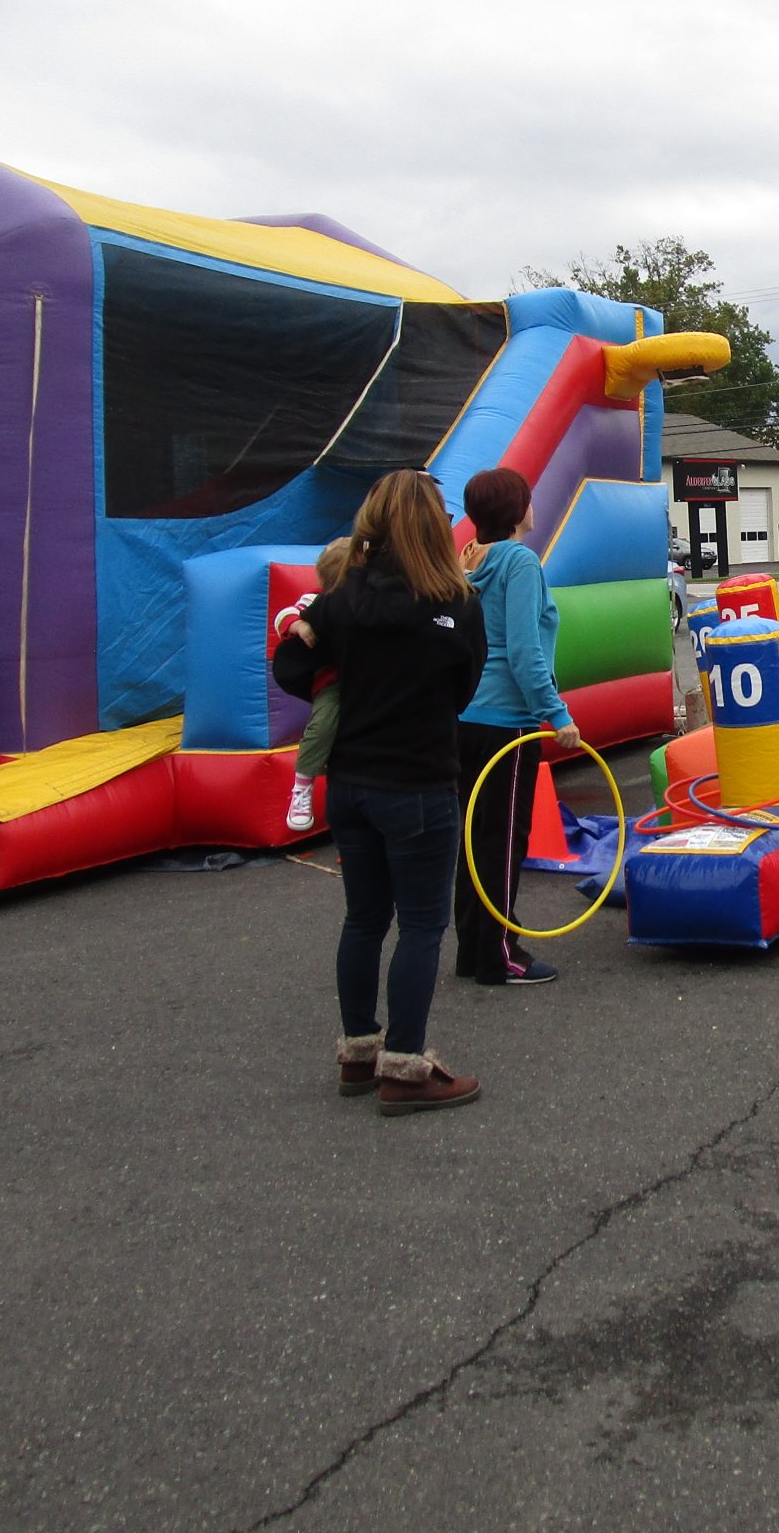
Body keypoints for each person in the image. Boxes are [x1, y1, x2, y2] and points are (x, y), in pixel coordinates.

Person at [295, 470, 488, 1116]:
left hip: (350, 783)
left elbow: (290, 666)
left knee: (364, 919)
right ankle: (405, 1069)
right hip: (418, 783)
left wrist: (342, 686)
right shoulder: (456, 602)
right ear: (438, 527)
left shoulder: (341, 598)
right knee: (425, 924)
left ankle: (358, 1053)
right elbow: (463, 689)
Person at [452, 466, 581, 987]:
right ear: (516, 510)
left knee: (475, 841)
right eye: (527, 497)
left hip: (467, 718)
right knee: (503, 841)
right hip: (508, 723)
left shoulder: (469, 563)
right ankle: (499, 954)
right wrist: (558, 714)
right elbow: (526, 653)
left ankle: (474, 949)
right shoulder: (520, 562)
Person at [279, 536, 355, 832]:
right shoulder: (316, 600)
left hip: (359, 679)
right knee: (323, 723)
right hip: (332, 683)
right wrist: (299, 625)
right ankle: (302, 786)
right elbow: (285, 615)